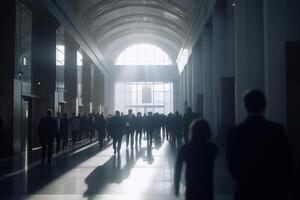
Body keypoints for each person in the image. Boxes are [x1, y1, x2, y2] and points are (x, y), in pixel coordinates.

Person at [227, 89, 294, 200]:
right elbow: (287, 162)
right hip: (273, 191)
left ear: (245, 106)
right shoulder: (277, 130)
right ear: (264, 106)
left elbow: (232, 165)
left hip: (246, 191)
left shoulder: (235, 133)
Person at [174, 119, 218, 200]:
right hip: (207, 184)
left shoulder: (185, 148)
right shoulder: (212, 148)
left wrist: (176, 187)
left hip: (191, 183)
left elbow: (178, 168)